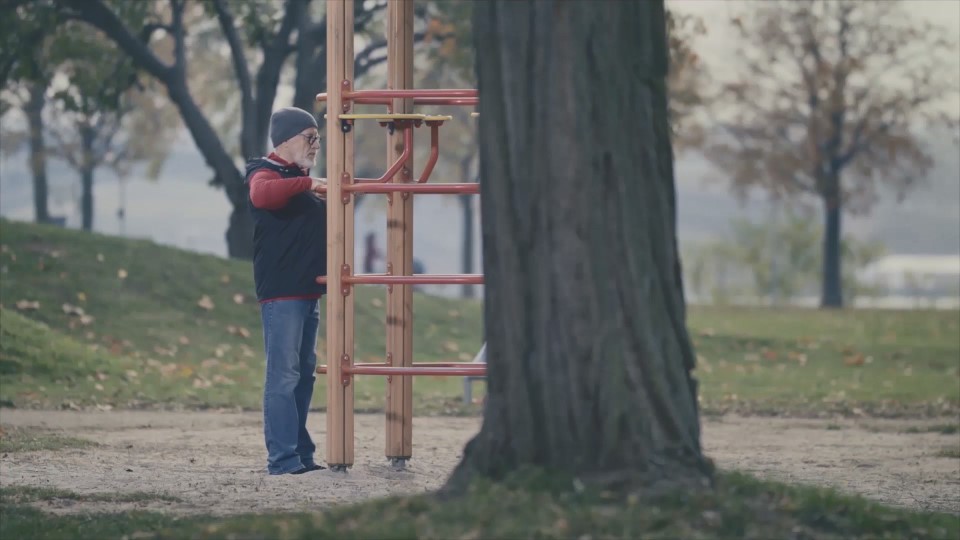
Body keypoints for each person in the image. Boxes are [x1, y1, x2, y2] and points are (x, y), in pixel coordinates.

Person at [245, 106, 328, 475]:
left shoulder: (296, 177)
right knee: (283, 374)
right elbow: (263, 196)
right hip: (282, 292)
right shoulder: (266, 172)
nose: (315, 146)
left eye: (318, 139)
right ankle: (281, 458)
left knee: (304, 372)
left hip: (307, 291)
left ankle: (300, 451)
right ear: (286, 140)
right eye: (310, 138)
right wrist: (310, 184)